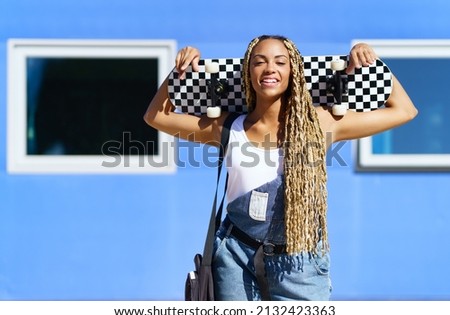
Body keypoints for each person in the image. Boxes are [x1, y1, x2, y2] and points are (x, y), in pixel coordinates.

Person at [144, 35, 418, 301]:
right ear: (248, 73)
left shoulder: (321, 124)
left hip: (301, 261)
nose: (270, 68)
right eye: (259, 61)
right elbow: (155, 116)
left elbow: (404, 110)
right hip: (235, 257)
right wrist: (176, 73)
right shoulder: (226, 127)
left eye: (280, 61)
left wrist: (373, 64)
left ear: (294, 71)